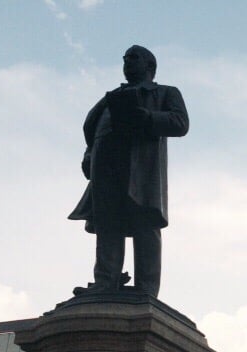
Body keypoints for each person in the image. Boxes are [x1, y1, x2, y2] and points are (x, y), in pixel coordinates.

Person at [69, 45, 188, 297]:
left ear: (150, 66)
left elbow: (180, 123)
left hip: (141, 168)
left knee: (145, 222)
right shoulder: (112, 97)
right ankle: (105, 281)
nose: (127, 62)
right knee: (107, 222)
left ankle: (146, 288)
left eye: (133, 58)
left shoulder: (165, 92)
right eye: (125, 59)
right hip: (105, 164)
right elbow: (94, 129)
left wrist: (146, 117)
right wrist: (89, 154)